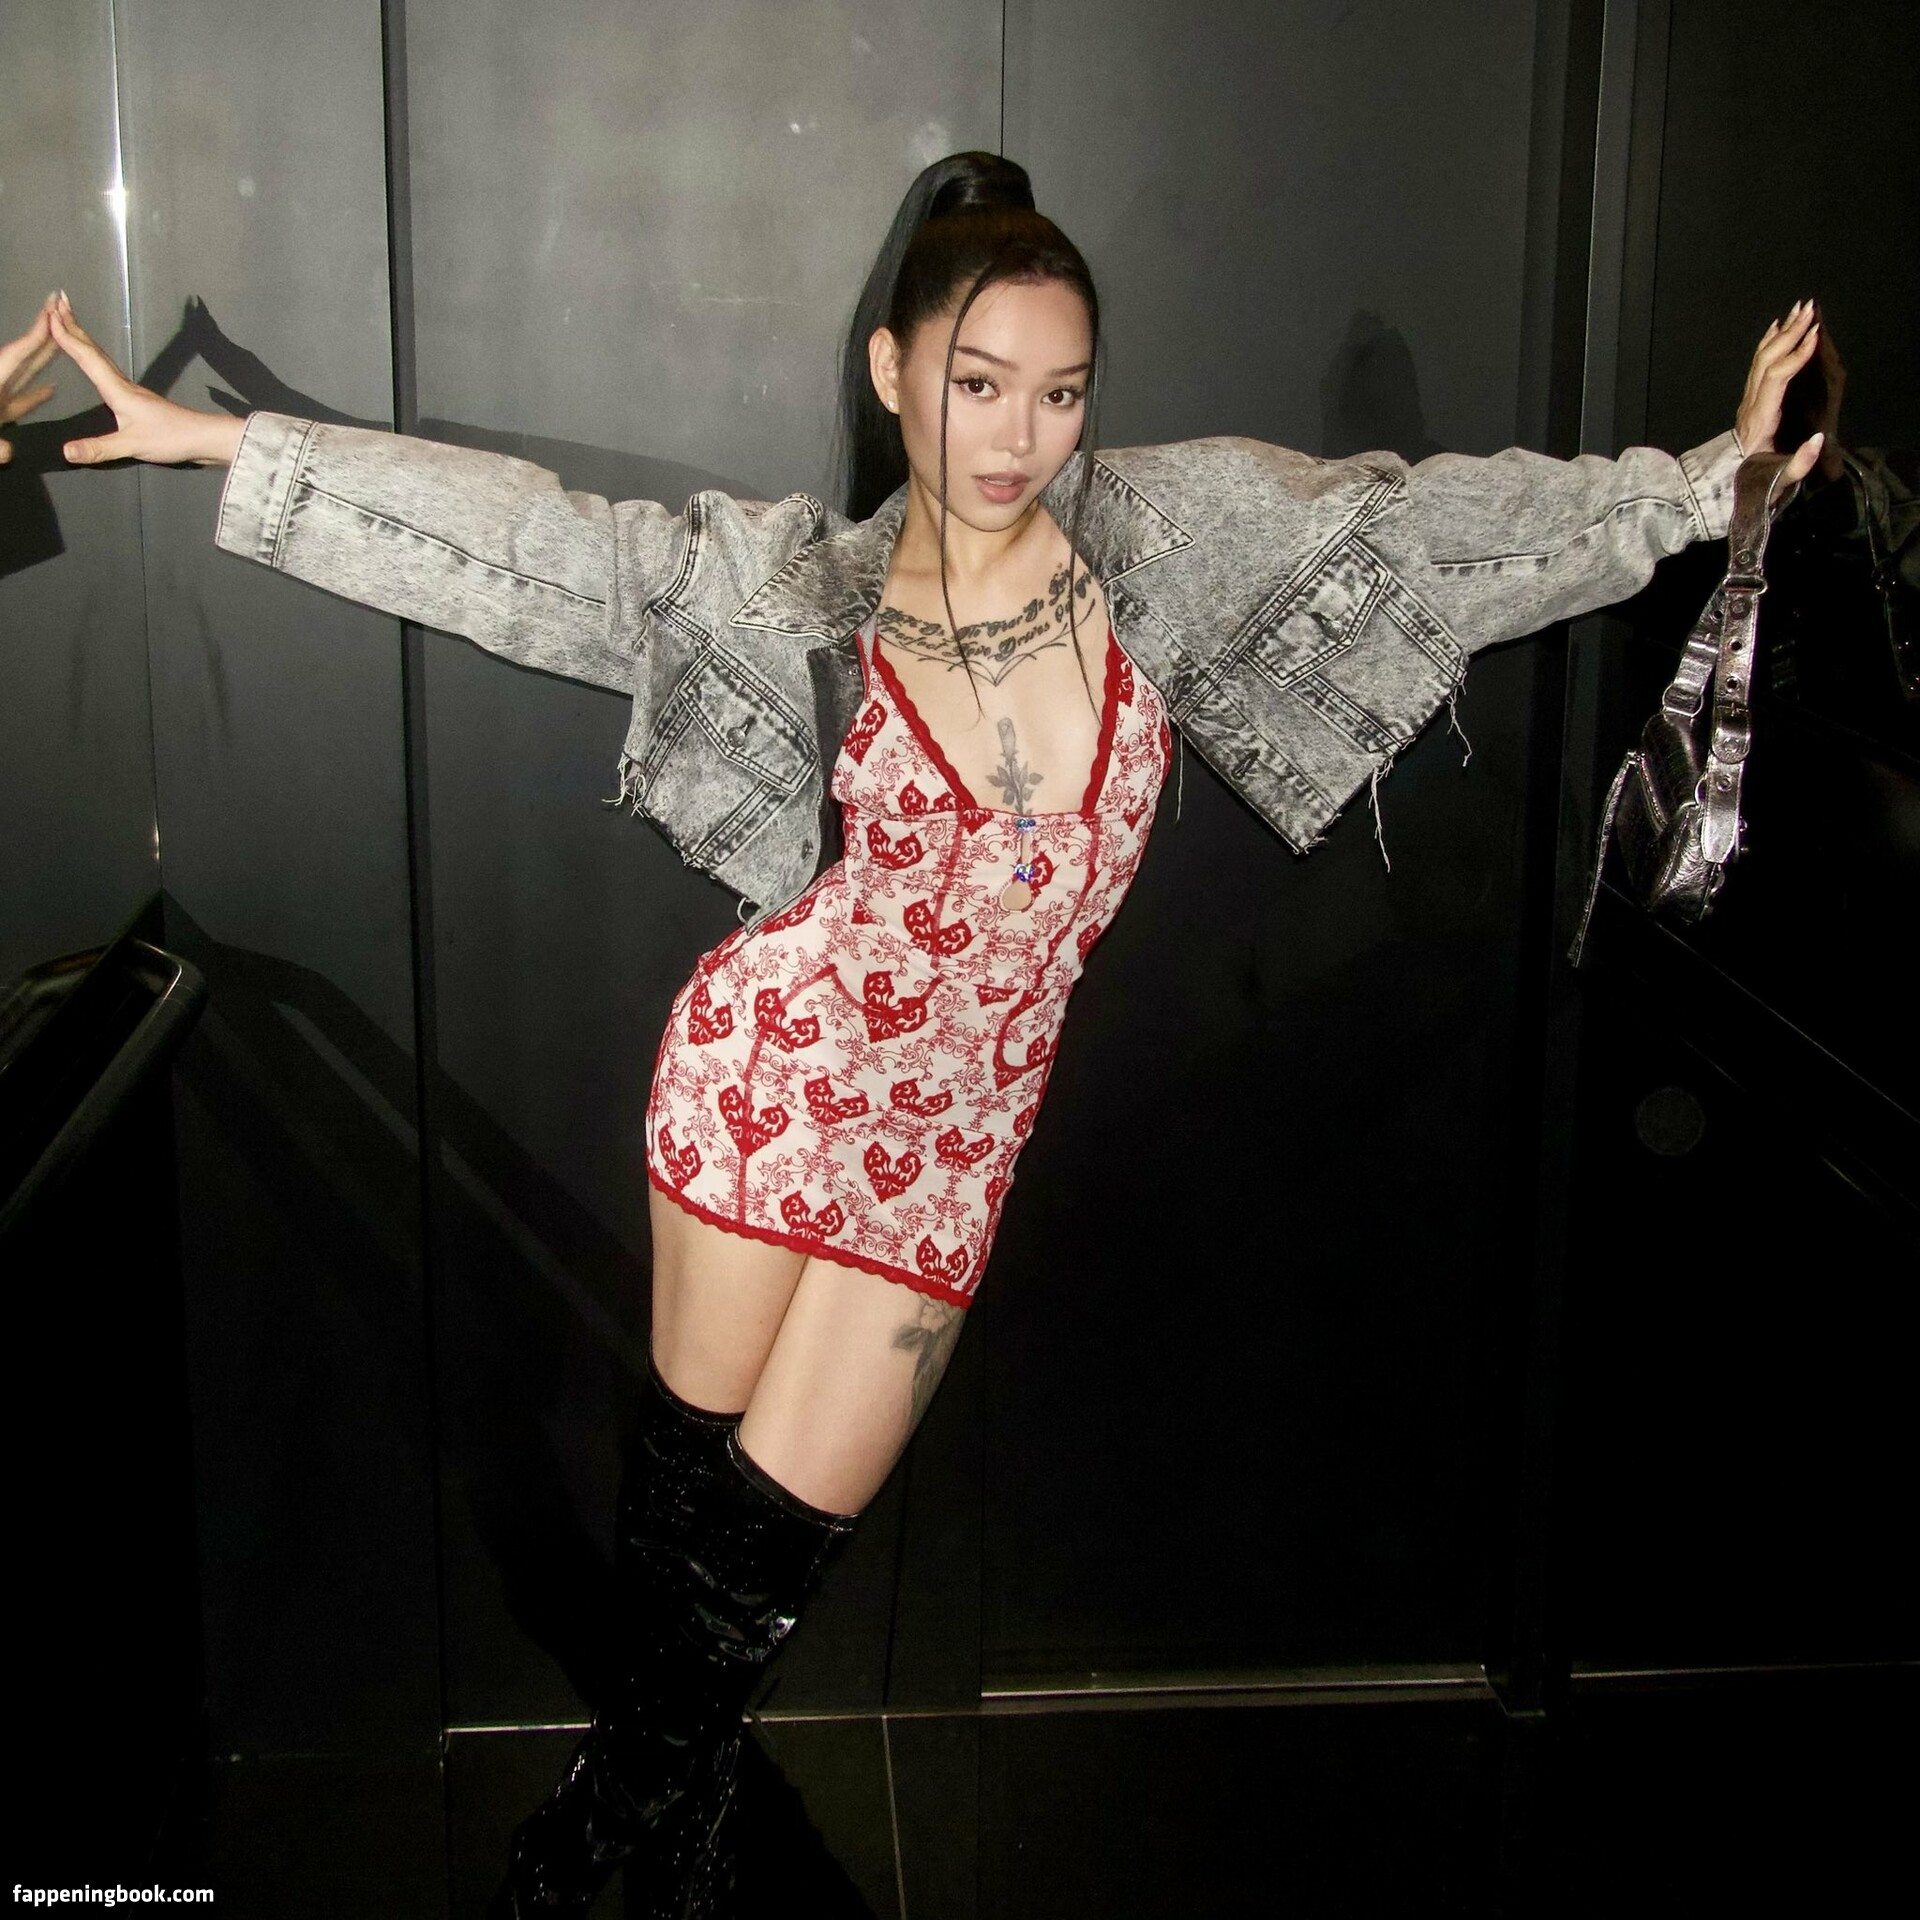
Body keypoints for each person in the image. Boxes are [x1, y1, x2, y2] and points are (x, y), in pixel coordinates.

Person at [21, 151, 1823, 1916]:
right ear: (894, 372)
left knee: (757, 1558)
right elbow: (532, 544)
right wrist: (219, 446)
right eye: (977, 383)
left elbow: (1417, 531)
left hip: (949, 1152)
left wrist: (1699, 484)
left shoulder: (1167, 546)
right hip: (762, 1091)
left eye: (1060, 391)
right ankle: (662, 1847)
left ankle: (594, 1846)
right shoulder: (792, 582)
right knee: (691, 1504)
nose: (1019, 433)